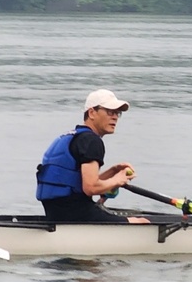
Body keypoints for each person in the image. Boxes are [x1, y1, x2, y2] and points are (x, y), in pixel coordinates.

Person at [36, 89, 149, 224]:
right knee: (143, 222)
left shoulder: (69, 137)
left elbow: (80, 185)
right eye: (110, 112)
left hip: (55, 214)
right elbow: (90, 188)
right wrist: (118, 180)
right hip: (77, 215)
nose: (115, 117)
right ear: (92, 113)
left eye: (117, 113)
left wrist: (112, 172)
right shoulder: (92, 141)